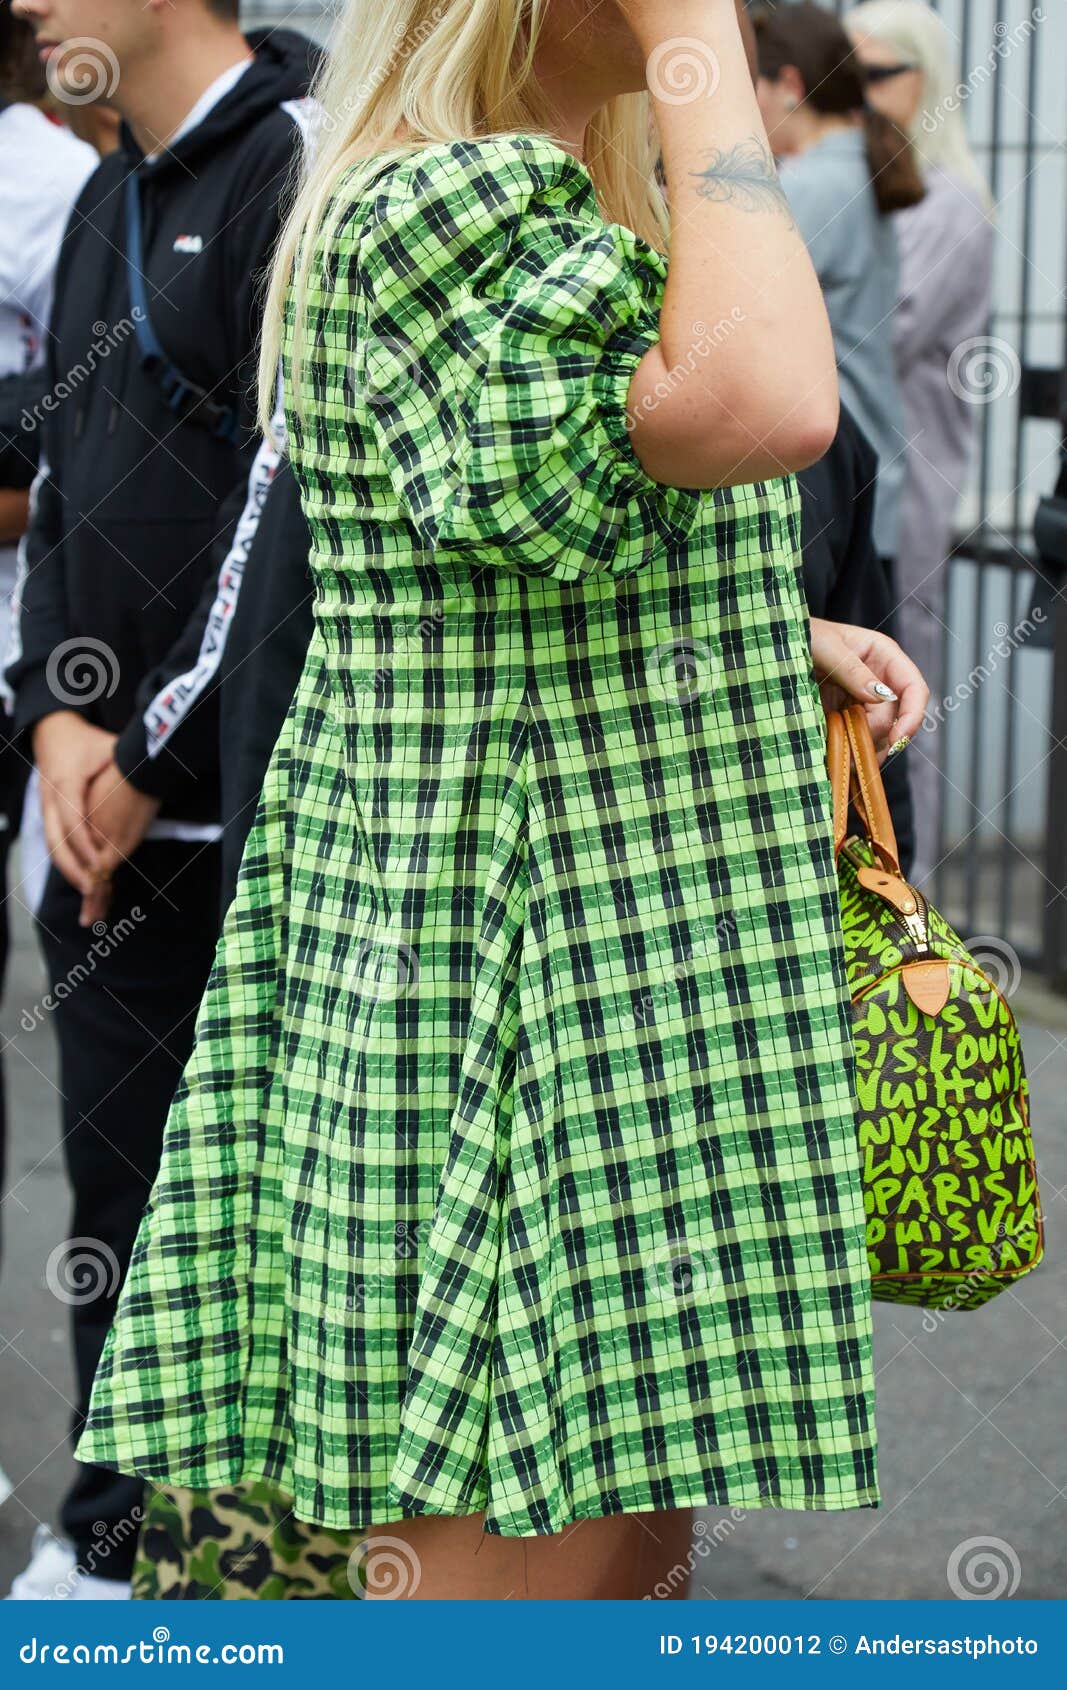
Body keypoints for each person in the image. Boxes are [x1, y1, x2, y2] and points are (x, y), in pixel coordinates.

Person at [80, 0, 927, 1603]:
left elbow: (504, 559)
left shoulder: (527, 197)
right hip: (515, 1017)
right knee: (507, 1587)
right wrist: (692, 45)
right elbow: (766, 402)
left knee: (609, 1573)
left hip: (573, 997)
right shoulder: (447, 203)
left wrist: (762, 627)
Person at [4, 0, 315, 1601]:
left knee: (268, 1227)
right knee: (113, 1195)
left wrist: (147, 761)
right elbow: (59, 496)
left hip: (243, 834)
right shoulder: (102, 196)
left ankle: (251, 1563)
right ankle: (111, 1533)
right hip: (96, 820)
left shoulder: (296, 167)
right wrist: (58, 730)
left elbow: (292, 513)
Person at [847, 0, 996, 888]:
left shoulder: (946, 207)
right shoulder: (865, 189)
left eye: (877, 76)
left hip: (910, 487)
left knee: (906, 707)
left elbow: (879, 331)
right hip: (859, 482)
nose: (859, 98)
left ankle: (913, 919)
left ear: (926, 82)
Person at [754, 1, 924, 582]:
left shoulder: (812, 187)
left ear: (788, 86)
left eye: (753, 82)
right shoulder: (856, 169)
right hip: (867, 461)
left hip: (822, 477)